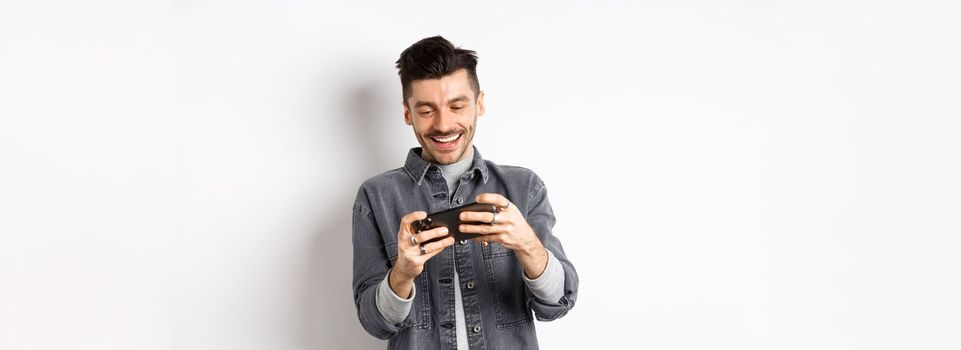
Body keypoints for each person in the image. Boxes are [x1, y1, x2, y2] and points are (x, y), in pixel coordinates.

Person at [351, 35, 578, 350]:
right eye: (427, 110)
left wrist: (528, 246)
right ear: (407, 113)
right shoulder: (375, 198)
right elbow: (374, 323)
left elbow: (557, 303)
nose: (444, 124)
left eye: (457, 106)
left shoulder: (524, 188)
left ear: (479, 104)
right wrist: (402, 273)